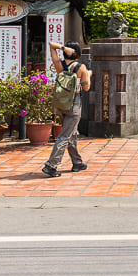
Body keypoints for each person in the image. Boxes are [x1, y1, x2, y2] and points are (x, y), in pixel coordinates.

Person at [42, 41, 92, 177]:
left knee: (71, 133)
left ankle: (77, 162)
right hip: (74, 103)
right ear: (78, 53)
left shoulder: (59, 65)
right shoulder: (81, 68)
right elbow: (86, 87)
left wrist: (63, 48)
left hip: (61, 103)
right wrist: (89, 75)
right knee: (65, 135)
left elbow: (51, 45)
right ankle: (51, 165)